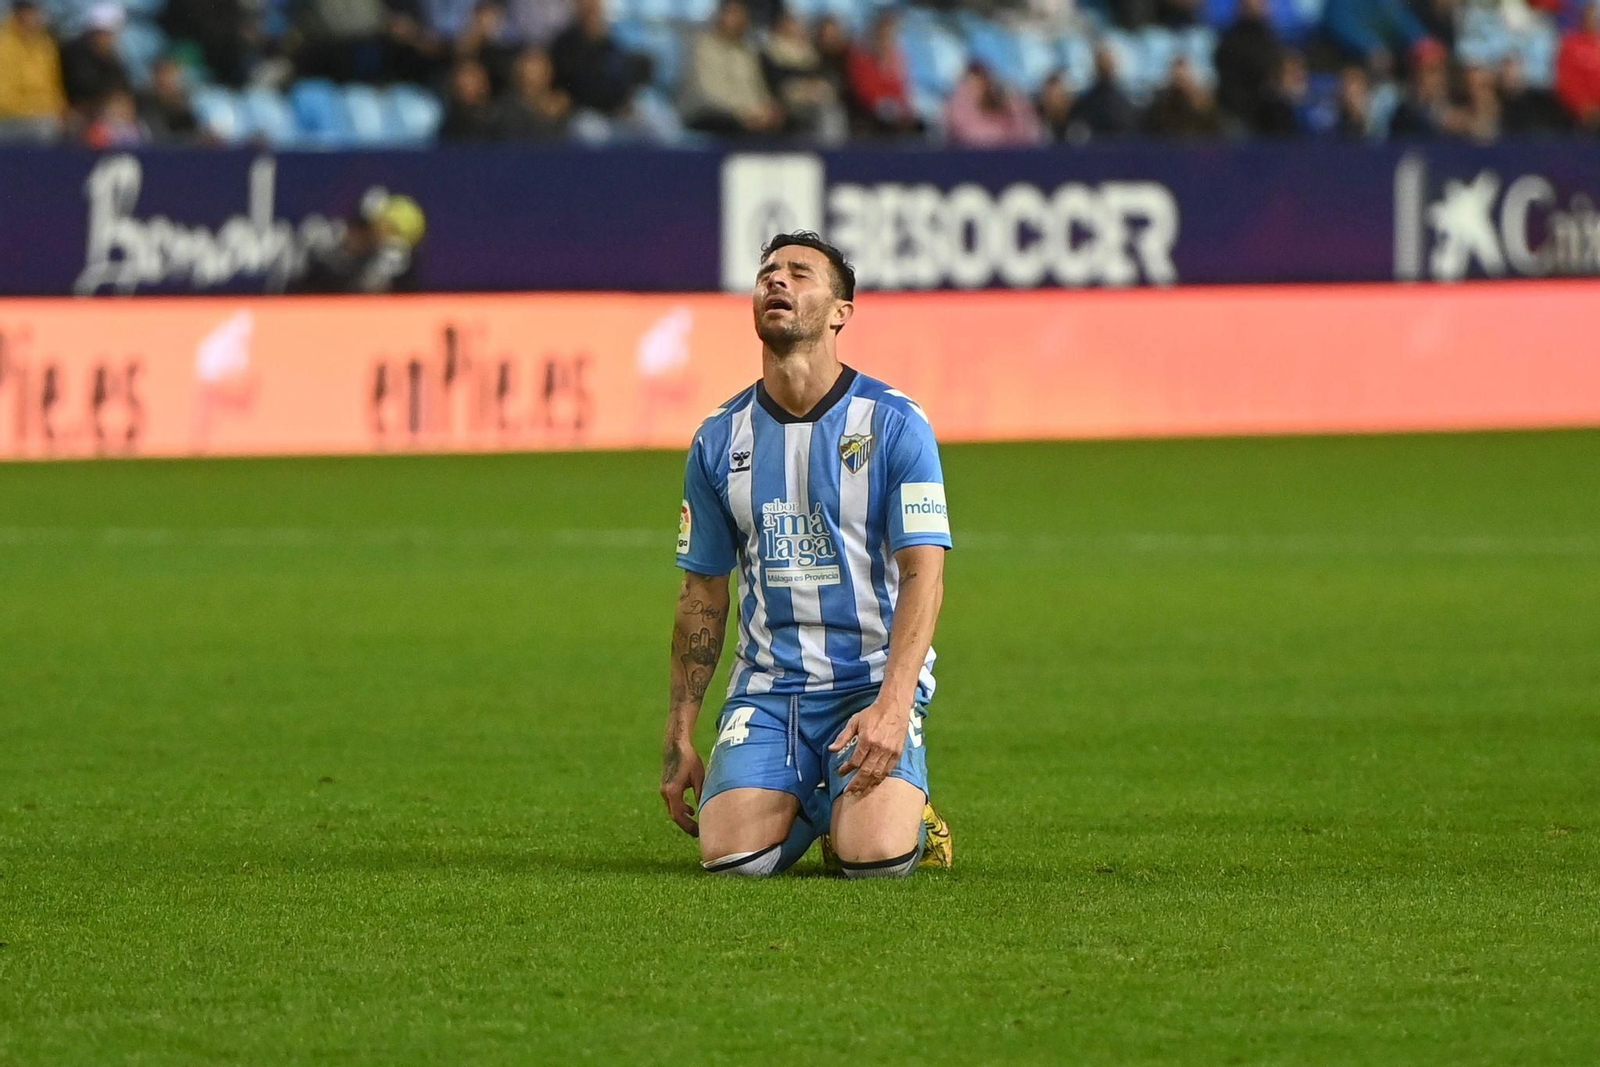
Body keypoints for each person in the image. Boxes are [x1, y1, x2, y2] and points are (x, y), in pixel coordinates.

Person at [660, 231, 954, 880]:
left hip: (869, 681)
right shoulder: (718, 439)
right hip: (771, 688)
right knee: (732, 858)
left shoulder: (895, 423)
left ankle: (902, 810)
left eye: (800, 272)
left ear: (841, 310)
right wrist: (682, 730)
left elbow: (922, 572)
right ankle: (822, 800)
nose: (777, 281)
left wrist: (895, 703)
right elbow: (701, 594)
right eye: (767, 272)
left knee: (874, 860)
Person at [680, 0, 784, 137]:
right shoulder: (702, 47)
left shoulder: (748, 50)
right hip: (710, 113)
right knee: (733, 125)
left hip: (750, 114)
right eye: (733, 14)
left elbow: (757, 88)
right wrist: (746, 112)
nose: (739, 20)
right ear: (720, 16)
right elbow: (710, 93)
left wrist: (767, 109)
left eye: (743, 15)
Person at [549, 0, 646, 117]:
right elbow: (568, 85)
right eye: (586, 4)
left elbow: (625, 75)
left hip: (620, 107)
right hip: (582, 111)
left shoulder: (614, 40)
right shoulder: (564, 44)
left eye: (596, 3)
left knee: (657, 121)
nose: (592, 8)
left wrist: (625, 99)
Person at [762, 11, 845, 142]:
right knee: (825, 113)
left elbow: (823, 76)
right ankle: (829, 153)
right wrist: (802, 89)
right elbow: (777, 83)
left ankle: (835, 153)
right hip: (788, 101)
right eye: (789, 23)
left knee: (832, 109)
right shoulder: (770, 52)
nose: (794, 27)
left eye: (795, 23)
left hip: (816, 97)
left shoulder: (810, 52)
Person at [0, 0, 67, 143]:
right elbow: (3, 98)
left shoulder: (46, 45)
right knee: (46, 130)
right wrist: (39, 111)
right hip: (10, 118)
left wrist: (59, 111)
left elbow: (55, 87)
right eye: (30, 11)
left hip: (43, 116)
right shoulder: (3, 45)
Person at [846, 11, 920, 137]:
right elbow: (864, 90)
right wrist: (885, 105)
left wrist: (902, 109)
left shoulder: (898, 59)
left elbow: (902, 89)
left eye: (890, 35)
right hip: (869, 112)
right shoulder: (862, 58)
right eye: (883, 35)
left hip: (895, 111)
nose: (886, 40)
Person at [1214, 0, 1283, 125]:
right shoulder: (1230, 42)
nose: (1256, 5)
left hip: (1270, 112)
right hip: (1239, 113)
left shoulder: (1273, 40)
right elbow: (1229, 86)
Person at [944, 61, 1044, 146]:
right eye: (973, 81)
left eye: (982, 79)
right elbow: (971, 137)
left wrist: (1013, 103)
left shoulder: (1006, 101)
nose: (978, 85)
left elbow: (1029, 133)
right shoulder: (959, 103)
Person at [61, 3, 132, 112]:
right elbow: (81, 89)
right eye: (103, 34)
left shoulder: (113, 58)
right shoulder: (74, 54)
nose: (107, 39)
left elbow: (122, 87)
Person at [494, 46, 570, 139]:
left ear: (549, 75)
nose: (531, 80)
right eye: (526, 73)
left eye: (537, 73)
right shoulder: (506, 107)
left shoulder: (562, 106)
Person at [1067, 43, 1140, 139]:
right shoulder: (1085, 102)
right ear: (1096, 64)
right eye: (1102, 62)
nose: (1105, 65)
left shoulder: (1125, 101)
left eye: (1108, 62)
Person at [1143, 55, 1224, 137]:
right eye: (1177, 79)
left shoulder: (1206, 108)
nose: (1181, 84)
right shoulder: (1159, 108)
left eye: (1184, 79)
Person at [1555, 1, 1600, 132]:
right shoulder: (1571, 45)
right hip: (1581, 113)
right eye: (1592, 15)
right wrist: (1582, 106)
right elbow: (1565, 82)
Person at [1499, 53, 1570, 137]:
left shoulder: (1543, 103)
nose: (1513, 74)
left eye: (1517, 68)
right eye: (1508, 69)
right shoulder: (1494, 102)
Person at [139, 56, 201, 144]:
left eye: (170, 74)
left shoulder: (186, 112)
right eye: (161, 74)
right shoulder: (142, 105)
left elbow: (192, 139)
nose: (165, 81)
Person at [438, 57, 499, 139]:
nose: (469, 85)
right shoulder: (446, 122)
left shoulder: (501, 118)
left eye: (474, 78)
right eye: (465, 80)